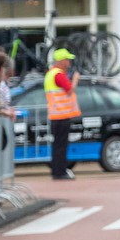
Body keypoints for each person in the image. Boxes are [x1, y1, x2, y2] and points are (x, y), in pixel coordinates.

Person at [44, 48, 80, 180]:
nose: (69, 63)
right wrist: (75, 79)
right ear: (61, 61)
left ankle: (57, 170)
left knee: (57, 145)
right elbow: (70, 89)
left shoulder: (50, 74)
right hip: (61, 115)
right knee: (61, 146)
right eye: (67, 60)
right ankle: (60, 172)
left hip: (55, 115)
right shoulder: (58, 74)